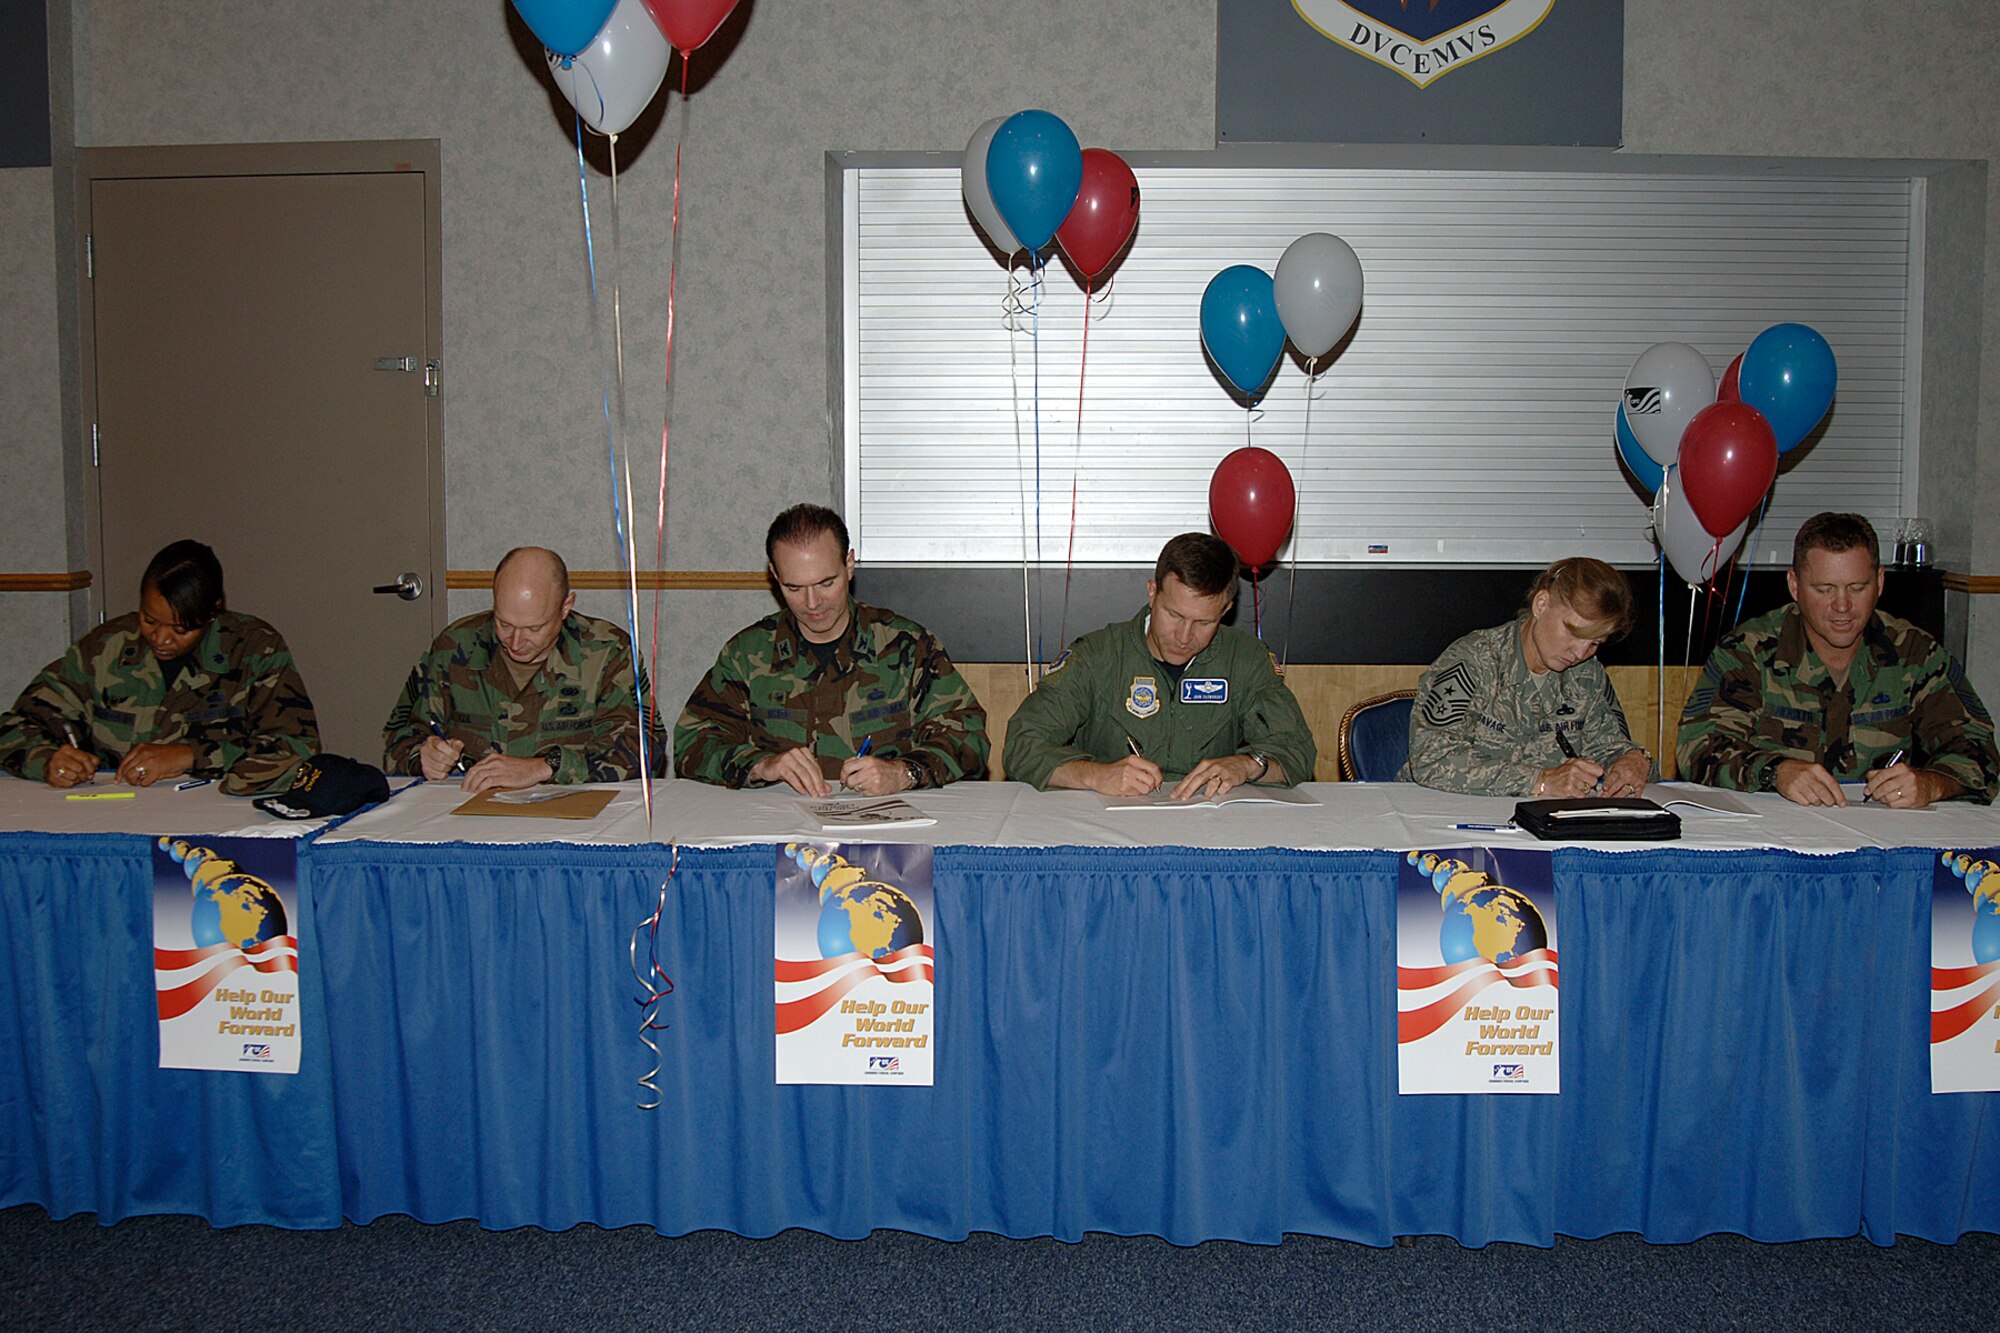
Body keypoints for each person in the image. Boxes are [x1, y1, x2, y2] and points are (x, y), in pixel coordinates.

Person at [1677, 512, 1998, 808]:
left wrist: (1931, 784)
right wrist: (1775, 772)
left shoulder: (1912, 653)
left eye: (1857, 588)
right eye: (1824, 589)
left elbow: (1977, 748)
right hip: (1778, 836)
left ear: (1880, 583)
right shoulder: (1749, 652)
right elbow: (1697, 748)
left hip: (1883, 838)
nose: (1842, 606)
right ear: (1795, 586)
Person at [675, 504, 989, 796]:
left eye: (826, 583)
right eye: (794, 588)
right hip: (779, 829)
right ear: (774, 575)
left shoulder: (906, 646)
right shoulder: (747, 654)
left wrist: (903, 772)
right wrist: (760, 765)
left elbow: (968, 738)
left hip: (887, 834)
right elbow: (692, 742)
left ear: (849, 565)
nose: (812, 604)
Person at [1003, 532, 1316, 797]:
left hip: (1210, 827)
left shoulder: (1246, 660)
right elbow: (1022, 744)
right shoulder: (1097, 656)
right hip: (1107, 828)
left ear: (1226, 610)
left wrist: (1250, 765)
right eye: (1174, 615)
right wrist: (1096, 775)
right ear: (1152, 593)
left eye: (1204, 622)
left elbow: (1297, 752)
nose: (1184, 636)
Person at [0, 539, 318, 795]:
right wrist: (46, 761)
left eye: (181, 629)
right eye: (149, 620)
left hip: (214, 820)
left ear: (213, 612)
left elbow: (298, 748)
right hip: (112, 816)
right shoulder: (104, 649)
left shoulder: (254, 649)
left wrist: (193, 756)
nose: (161, 639)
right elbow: (12, 729)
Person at [382, 546, 660, 792]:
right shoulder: (454, 647)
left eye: (533, 628)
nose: (515, 642)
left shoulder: (607, 651)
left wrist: (545, 767)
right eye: (503, 623)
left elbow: (645, 748)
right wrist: (422, 756)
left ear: (566, 607)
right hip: (469, 814)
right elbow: (398, 738)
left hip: (570, 818)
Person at [1402, 557, 1652, 798]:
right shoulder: (1474, 661)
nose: (1580, 653)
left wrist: (1633, 760)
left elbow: (1609, 747)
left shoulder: (1587, 675)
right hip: (1446, 813)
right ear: (1541, 604)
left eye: (1595, 642)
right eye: (1573, 633)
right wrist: (1540, 781)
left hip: (1545, 823)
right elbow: (1432, 759)